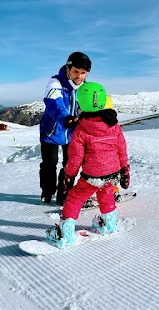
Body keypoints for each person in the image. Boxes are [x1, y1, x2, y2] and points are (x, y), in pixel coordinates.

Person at [46, 82, 131, 248]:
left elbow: (76, 158)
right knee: (106, 194)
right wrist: (124, 169)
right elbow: (122, 149)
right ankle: (109, 223)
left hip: (92, 175)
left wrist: (68, 175)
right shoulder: (114, 126)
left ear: (81, 104)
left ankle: (66, 232)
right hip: (112, 173)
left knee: (75, 198)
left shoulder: (81, 130)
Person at [39, 52, 92, 204]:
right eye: (76, 71)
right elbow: (54, 103)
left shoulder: (86, 88)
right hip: (51, 130)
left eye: (83, 73)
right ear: (69, 68)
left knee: (70, 165)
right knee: (49, 163)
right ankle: (47, 192)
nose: (79, 76)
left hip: (73, 133)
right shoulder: (55, 82)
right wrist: (65, 118)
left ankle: (64, 193)